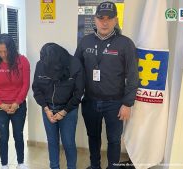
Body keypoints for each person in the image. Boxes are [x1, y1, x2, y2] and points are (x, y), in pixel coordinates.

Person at [74, 1, 139, 169]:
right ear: (95, 20)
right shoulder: (85, 42)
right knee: (93, 137)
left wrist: (127, 103)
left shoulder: (126, 44)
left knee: (114, 140)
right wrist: (75, 95)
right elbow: (76, 70)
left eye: (109, 18)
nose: (105, 22)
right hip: (90, 101)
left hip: (115, 103)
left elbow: (133, 76)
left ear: (116, 20)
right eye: (101, 18)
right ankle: (94, 165)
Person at [32, 43, 84, 169]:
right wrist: (46, 108)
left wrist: (64, 112)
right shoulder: (41, 64)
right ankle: (54, 167)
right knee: (52, 141)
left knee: (68, 142)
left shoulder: (75, 64)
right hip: (48, 109)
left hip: (68, 109)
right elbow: (36, 89)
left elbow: (79, 93)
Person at [0, 34, 30, 169]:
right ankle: (4, 165)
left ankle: (21, 163)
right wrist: (1, 104)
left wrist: (16, 103)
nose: (3, 54)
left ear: (12, 48)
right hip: (0, 108)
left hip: (19, 106)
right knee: (3, 137)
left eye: (5, 51)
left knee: (18, 135)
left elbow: (25, 85)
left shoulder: (22, 61)